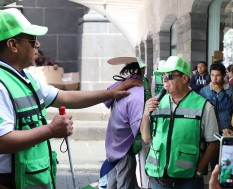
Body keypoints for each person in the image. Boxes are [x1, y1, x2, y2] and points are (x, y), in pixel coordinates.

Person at [0, 8, 140, 189]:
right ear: (13, 44)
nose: (38, 44)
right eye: (32, 39)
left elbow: (65, 97)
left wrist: (112, 93)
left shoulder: (24, 78)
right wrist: (51, 130)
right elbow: (2, 141)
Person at [140, 56, 219, 189]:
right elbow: (146, 137)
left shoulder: (203, 106)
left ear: (185, 78)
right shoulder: (156, 103)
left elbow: (213, 142)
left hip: (188, 180)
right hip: (157, 178)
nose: (165, 79)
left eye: (170, 75)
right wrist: (145, 114)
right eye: (163, 76)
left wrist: (199, 170)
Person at [104, 61, 145, 189]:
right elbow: (138, 129)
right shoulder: (137, 94)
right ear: (142, 71)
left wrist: (123, 84)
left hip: (113, 147)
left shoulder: (120, 87)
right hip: (125, 151)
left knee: (113, 184)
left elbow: (105, 99)